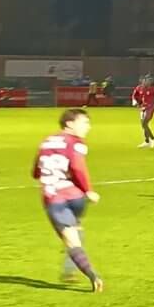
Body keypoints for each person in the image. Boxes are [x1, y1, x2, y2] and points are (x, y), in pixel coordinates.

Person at [32, 108, 104, 292]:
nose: (88, 127)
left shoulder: (46, 142)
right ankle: (70, 269)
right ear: (70, 124)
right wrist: (87, 190)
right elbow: (78, 167)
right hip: (75, 196)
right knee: (76, 228)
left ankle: (92, 275)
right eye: (84, 122)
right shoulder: (76, 143)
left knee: (71, 241)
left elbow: (35, 172)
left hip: (55, 199)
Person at [132, 76, 154, 149]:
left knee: (144, 123)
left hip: (151, 107)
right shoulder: (139, 88)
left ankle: (152, 139)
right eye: (147, 81)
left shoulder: (153, 89)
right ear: (143, 81)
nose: (148, 82)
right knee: (144, 125)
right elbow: (134, 96)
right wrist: (135, 102)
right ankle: (147, 141)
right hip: (143, 107)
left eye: (149, 81)